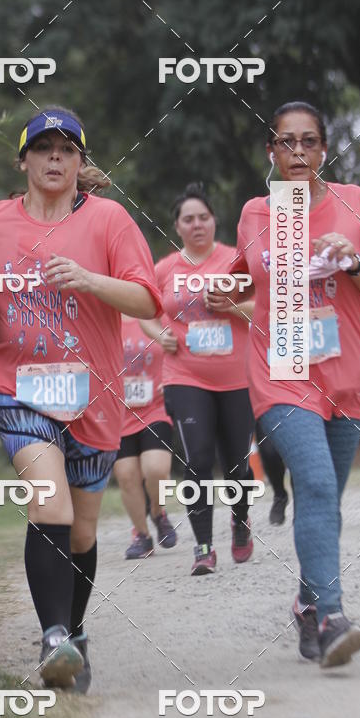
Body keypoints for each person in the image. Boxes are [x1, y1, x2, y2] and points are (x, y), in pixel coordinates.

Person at [0, 106, 162, 693]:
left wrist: (91, 280)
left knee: (82, 531)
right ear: (23, 160)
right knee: (50, 506)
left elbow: (148, 302)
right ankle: (52, 638)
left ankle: (74, 633)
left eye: (65, 150)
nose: (53, 158)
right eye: (42, 148)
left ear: (79, 162)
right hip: (17, 387)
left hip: (94, 393)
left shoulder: (110, 221)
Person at [212, 101, 360, 667]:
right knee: (315, 483)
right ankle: (334, 616)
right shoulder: (255, 213)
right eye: (285, 142)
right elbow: (241, 276)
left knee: (325, 500)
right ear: (270, 151)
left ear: (323, 149)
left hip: (346, 374)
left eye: (309, 141)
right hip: (282, 368)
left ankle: (305, 603)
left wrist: (348, 264)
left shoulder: (356, 204)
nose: (298, 152)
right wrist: (225, 295)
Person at [140, 182, 256, 576]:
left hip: (238, 375)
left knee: (237, 464)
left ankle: (240, 520)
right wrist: (159, 334)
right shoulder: (165, 268)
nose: (196, 225)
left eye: (203, 217)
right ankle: (203, 548)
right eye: (188, 219)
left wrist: (232, 306)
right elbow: (143, 308)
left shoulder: (236, 260)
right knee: (198, 459)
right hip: (185, 374)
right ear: (177, 226)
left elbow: (267, 307)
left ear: (214, 221)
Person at [113, 314, 177, 559]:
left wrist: (174, 377)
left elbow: (179, 346)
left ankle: (157, 512)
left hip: (155, 406)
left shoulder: (159, 313)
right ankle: (142, 536)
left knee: (156, 469)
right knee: (127, 475)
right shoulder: (106, 315)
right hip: (118, 411)